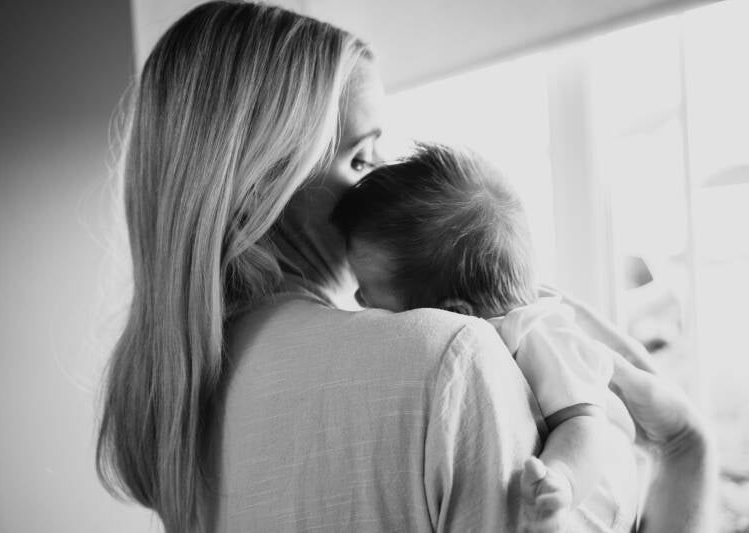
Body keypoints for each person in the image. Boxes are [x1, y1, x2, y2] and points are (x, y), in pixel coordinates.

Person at [95, 2, 716, 533]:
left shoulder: (171, 406)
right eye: (361, 160)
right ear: (261, 188)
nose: (386, 188)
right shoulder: (449, 357)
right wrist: (687, 450)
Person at [331, 143, 639, 530]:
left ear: (453, 315)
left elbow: (585, 423)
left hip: (596, 482)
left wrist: (560, 481)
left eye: (368, 291)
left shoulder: (539, 333)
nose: (359, 301)